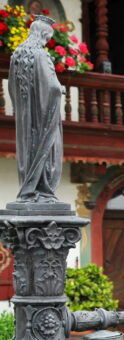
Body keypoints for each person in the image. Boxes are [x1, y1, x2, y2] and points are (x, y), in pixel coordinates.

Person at [9, 15, 62, 203]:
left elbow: (11, 87)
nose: (47, 41)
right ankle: (42, 191)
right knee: (45, 149)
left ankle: (27, 189)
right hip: (42, 115)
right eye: (48, 37)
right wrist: (60, 89)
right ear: (43, 35)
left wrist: (19, 108)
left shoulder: (17, 55)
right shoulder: (41, 55)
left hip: (25, 115)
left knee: (26, 149)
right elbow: (52, 87)